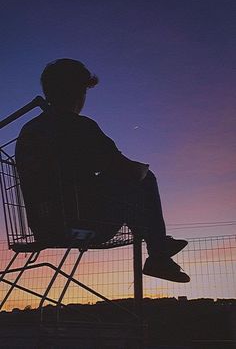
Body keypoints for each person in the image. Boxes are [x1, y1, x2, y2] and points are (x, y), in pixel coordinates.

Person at [15, 58, 190, 283]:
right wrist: (141, 169)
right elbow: (125, 170)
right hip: (81, 227)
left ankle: (158, 247)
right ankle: (158, 254)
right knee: (144, 179)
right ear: (78, 91)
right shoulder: (79, 127)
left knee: (118, 180)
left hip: (44, 226)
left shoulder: (30, 130)